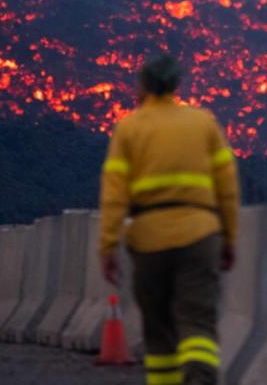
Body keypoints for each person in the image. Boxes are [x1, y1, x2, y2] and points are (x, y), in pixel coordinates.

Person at [99, 54, 240, 385]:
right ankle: (201, 378)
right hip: (200, 236)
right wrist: (229, 238)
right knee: (198, 323)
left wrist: (108, 246)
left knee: (159, 330)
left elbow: (115, 195)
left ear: (143, 87)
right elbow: (228, 187)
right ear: (176, 85)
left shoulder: (130, 128)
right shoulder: (203, 123)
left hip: (149, 242)